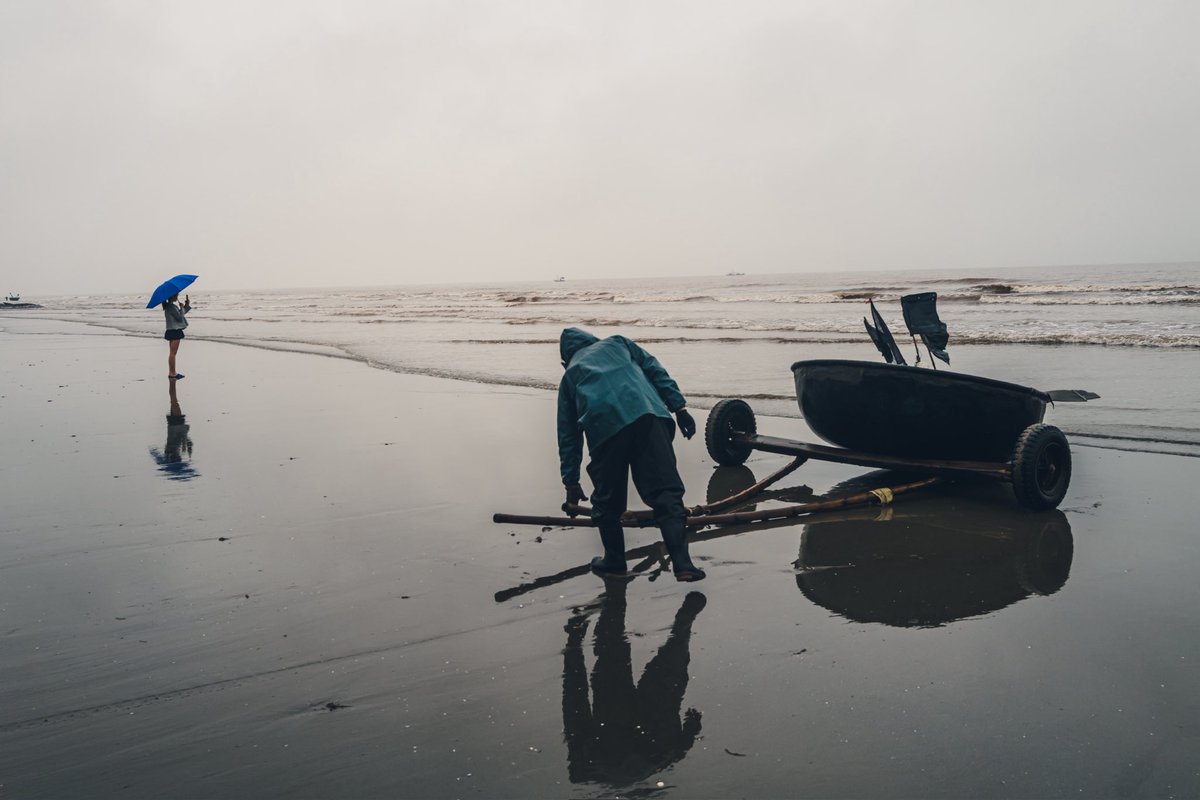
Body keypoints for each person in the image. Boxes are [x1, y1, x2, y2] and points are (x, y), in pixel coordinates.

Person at [557, 327, 705, 582]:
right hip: (650, 416)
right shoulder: (618, 343)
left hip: (606, 430)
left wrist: (571, 481)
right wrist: (679, 408)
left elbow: (568, 434)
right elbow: (655, 369)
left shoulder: (570, 375)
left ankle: (614, 561)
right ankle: (684, 564)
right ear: (593, 339)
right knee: (666, 494)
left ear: (564, 360)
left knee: (608, 502)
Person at [162, 293, 191, 379]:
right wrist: (181, 307)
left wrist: (186, 305)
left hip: (171, 330)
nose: (177, 297)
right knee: (173, 354)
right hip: (175, 331)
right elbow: (179, 317)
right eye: (176, 295)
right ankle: (173, 373)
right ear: (173, 296)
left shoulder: (168, 306)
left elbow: (180, 314)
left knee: (172, 353)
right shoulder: (171, 307)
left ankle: (172, 372)